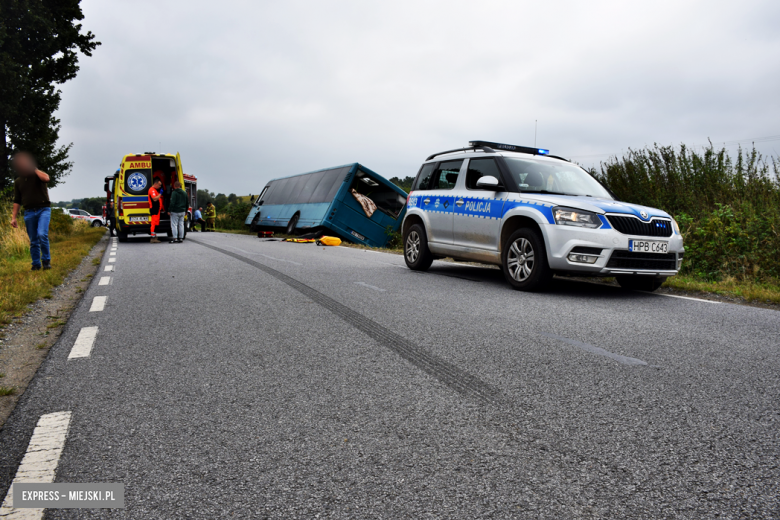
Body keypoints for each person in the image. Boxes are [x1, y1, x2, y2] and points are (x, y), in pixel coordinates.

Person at [10, 152, 52, 270]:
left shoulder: (38, 175)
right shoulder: (18, 181)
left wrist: (34, 169)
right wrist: (14, 217)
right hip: (28, 212)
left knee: (42, 234)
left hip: (43, 209)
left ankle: (46, 260)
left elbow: (47, 178)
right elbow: (17, 200)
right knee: (33, 240)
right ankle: (35, 264)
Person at [148, 178, 163, 243]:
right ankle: (153, 237)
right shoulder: (152, 190)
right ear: (155, 184)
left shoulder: (155, 190)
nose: (160, 187)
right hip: (154, 209)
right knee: (153, 223)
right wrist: (160, 194)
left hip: (156, 209)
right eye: (159, 185)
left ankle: (154, 235)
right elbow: (154, 199)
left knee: (155, 223)